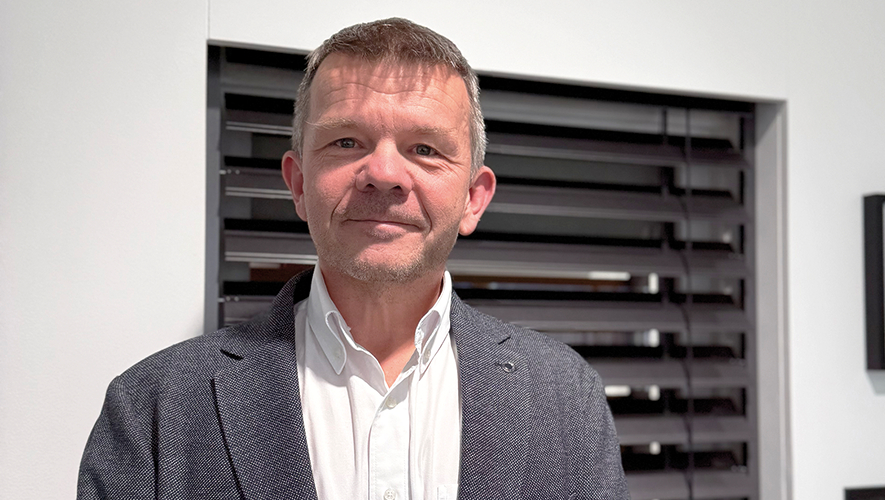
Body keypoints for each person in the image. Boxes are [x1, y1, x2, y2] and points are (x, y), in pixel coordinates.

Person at [78, 18, 628, 500]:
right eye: (346, 142)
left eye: (425, 149)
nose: (383, 174)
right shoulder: (153, 407)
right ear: (298, 184)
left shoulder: (566, 397)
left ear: (473, 199)